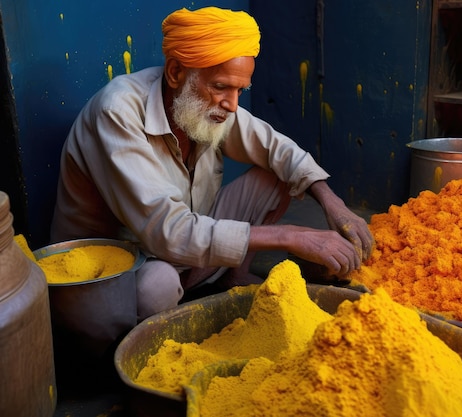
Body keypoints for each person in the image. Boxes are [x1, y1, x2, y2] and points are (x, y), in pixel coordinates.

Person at [50, 6, 374, 321]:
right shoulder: (117, 112)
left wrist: (335, 204)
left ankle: (229, 279)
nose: (232, 105)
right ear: (177, 72)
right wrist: (292, 236)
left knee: (278, 174)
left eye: (240, 90)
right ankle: (132, 350)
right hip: (126, 266)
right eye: (220, 87)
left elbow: (278, 149)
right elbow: (168, 232)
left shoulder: (206, 104)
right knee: (157, 287)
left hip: (189, 251)